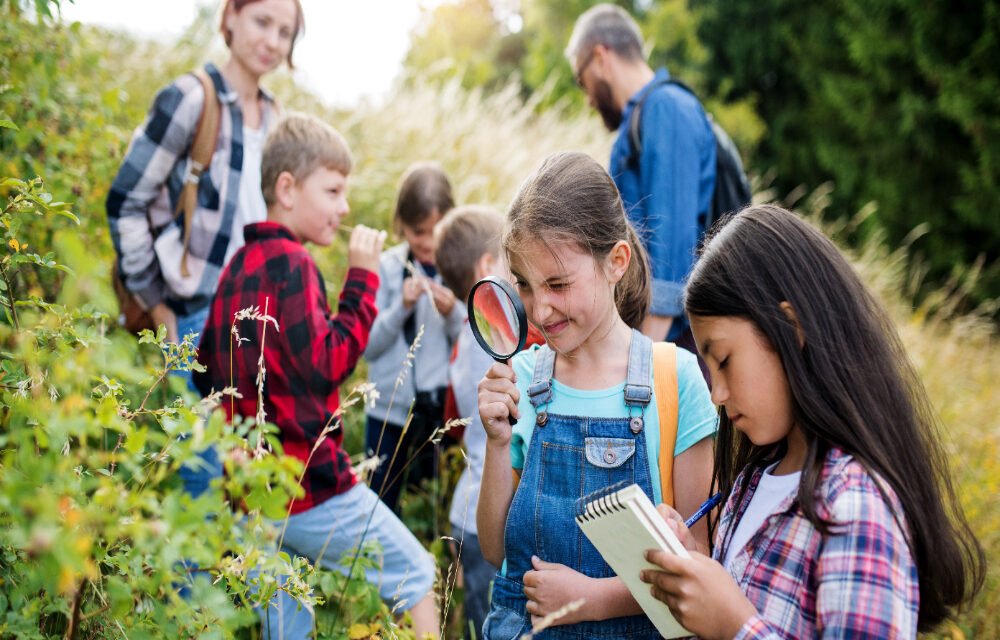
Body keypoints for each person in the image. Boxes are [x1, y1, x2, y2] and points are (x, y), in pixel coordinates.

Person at [639, 205, 985, 638]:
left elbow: (744, 620)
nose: (717, 393)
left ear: (791, 326)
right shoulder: (751, 482)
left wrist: (735, 626)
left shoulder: (855, 508)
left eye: (724, 360)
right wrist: (694, 570)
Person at [193, 113, 439, 639]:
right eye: (332, 190)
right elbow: (329, 362)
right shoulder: (295, 265)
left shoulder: (238, 266)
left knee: (289, 622)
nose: (344, 207)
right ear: (287, 188)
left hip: (251, 497)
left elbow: (203, 372)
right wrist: (362, 281)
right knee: (417, 575)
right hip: (310, 487)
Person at [476, 152, 718, 639]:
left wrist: (593, 600)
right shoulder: (521, 377)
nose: (540, 309)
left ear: (616, 262)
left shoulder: (676, 380)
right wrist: (498, 443)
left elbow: (699, 560)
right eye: (525, 285)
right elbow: (496, 552)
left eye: (559, 284)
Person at [106, 0, 303, 500]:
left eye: (285, 31)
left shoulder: (278, 117)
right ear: (230, 18)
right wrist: (160, 308)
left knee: (247, 485)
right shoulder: (191, 99)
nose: (272, 41)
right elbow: (126, 202)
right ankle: (185, 580)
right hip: (193, 317)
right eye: (262, 22)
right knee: (200, 479)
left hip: (254, 325)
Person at [566, 4, 715, 353]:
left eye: (580, 77)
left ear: (601, 56)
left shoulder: (666, 108)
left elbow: (671, 247)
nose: (587, 98)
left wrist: (642, 362)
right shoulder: (640, 120)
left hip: (677, 343)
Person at [434, 205, 545, 639]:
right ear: (487, 269)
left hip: (467, 502)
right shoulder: (499, 336)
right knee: (487, 622)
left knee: (474, 616)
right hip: (488, 510)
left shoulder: (465, 333)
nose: (521, 286)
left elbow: (452, 419)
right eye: (512, 270)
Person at [364, 162, 466, 513]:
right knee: (378, 505)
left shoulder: (459, 269)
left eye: (436, 231)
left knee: (431, 509)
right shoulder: (388, 266)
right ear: (401, 227)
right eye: (417, 232)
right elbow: (369, 346)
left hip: (438, 413)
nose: (427, 243)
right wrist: (400, 307)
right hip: (387, 411)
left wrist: (453, 310)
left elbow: (472, 342)